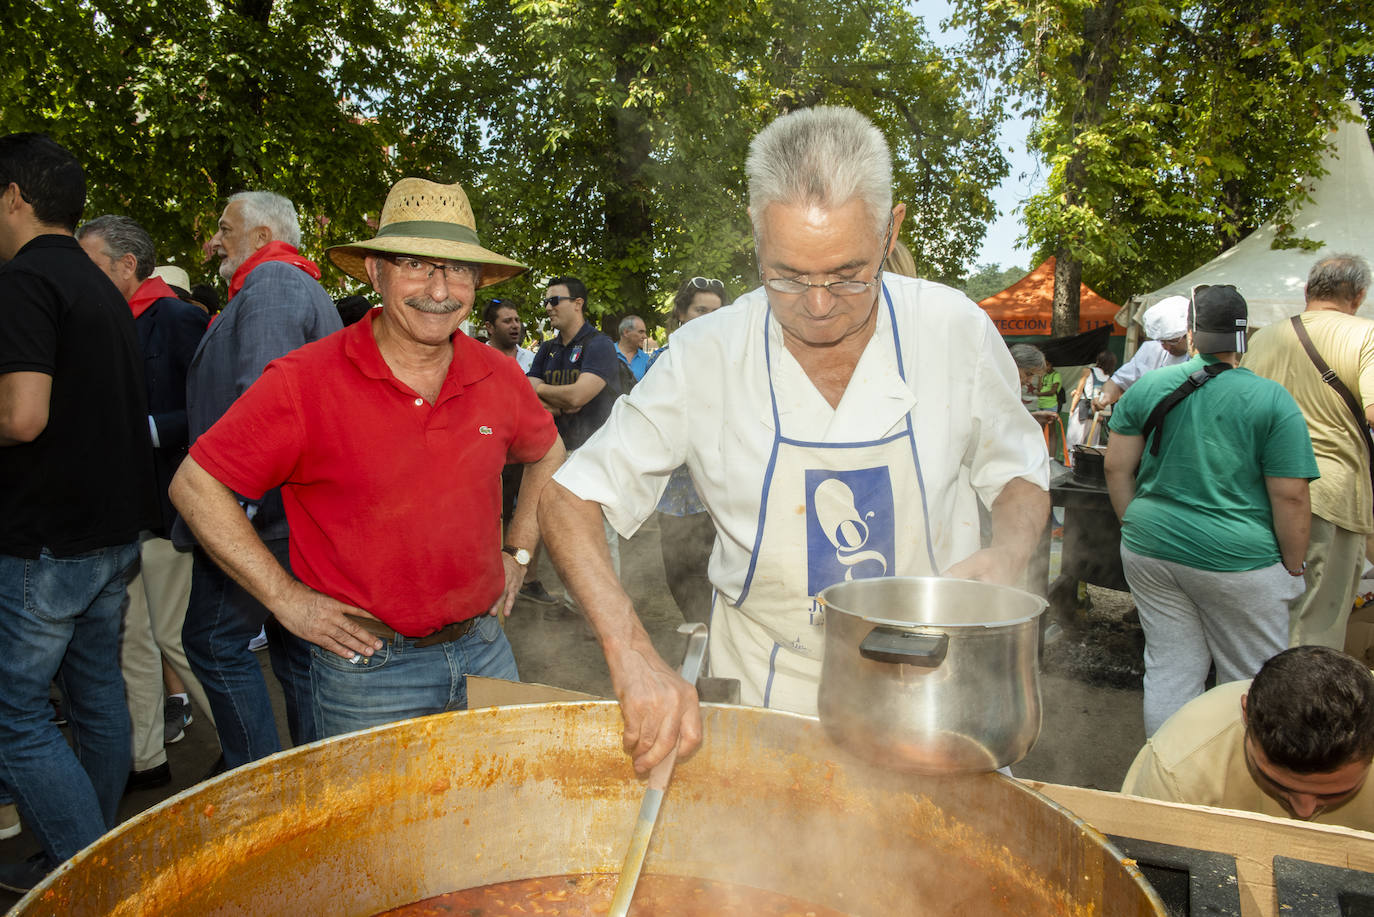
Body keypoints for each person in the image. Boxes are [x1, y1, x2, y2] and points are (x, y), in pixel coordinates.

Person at [538, 105, 1050, 773]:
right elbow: (567, 499)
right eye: (786, 275)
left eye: (847, 274)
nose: (816, 304)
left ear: (890, 228)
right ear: (755, 231)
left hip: (937, 704)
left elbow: (1017, 472)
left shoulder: (953, 330)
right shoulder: (705, 356)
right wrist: (632, 652)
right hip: (766, 700)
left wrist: (1007, 555)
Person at [170, 177, 563, 737]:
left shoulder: (498, 372)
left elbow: (549, 452)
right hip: (367, 673)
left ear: (477, 283)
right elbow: (194, 485)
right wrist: (287, 600)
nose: (439, 288)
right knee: (381, 828)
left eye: (457, 270)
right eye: (414, 264)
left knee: (495, 817)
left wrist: (519, 553)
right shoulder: (305, 380)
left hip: (485, 650)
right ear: (376, 273)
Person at [0, 133, 160, 891]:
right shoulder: (101, 285)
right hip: (106, 538)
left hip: (45, 543)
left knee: (14, 718)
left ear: (13, 196)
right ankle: (91, 851)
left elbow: (23, 416)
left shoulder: (25, 279)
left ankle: (90, 880)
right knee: (97, 699)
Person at [1104, 285, 1319, 735]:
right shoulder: (1272, 399)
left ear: (1191, 331)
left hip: (1151, 550)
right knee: (1252, 680)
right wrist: (1294, 568)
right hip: (1239, 561)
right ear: (1245, 335)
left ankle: (1167, 779)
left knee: (1170, 669)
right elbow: (1291, 497)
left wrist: (1134, 526)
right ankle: (1235, 787)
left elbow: (1115, 468)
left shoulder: (1149, 386)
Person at [177, 190, 341, 772]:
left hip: (260, 515)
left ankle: (259, 778)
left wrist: (235, 511)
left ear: (265, 235)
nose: (213, 241)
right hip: (286, 515)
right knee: (296, 649)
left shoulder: (272, 282)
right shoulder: (285, 283)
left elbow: (261, 408)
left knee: (211, 641)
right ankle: (310, 778)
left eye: (223, 228)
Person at [74, 214, 212, 791]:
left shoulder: (180, 318)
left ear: (126, 264)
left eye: (88, 263)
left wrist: (147, 429)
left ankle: (251, 752)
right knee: (130, 640)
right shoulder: (92, 322)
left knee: (176, 637)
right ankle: (146, 760)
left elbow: (212, 413)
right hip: (113, 515)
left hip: (165, 508)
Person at [1244, 254, 1374, 650]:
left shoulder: (1264, 337)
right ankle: (1296, 710)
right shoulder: (1366, 335)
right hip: (1329, 495)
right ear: (1359, 295)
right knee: (1314, 626)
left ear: (1307, 290)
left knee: (1265, 619)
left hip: (1260, 492)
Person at [1121, 646, 1374, 831]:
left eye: (1331, 794)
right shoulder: (1179, 769)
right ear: (1246, 714)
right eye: (1283, 786)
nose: (1303, 811)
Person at [528, 276, 624, 579]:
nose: (548, 307)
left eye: (555, 300)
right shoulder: (547, 349)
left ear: (578, 303)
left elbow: (579, 396)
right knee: (565, 528)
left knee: (600, 532)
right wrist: (562, 401)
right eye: (546, 301)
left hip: (595, 452)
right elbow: (527, 390)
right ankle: (576, 604)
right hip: (556, 452)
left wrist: (548, 392)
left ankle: (609, 611)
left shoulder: (599, 345)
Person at [652, 276, 728, 630]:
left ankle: (717, 652)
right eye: (701, 310)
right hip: (675, 498)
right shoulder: (662, 363)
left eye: (717, 311)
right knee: (679, 579)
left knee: (721, 580)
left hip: (722, 495)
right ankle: (706, 644)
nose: (710, 318)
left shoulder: (736, 363)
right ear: (681, 313)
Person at [1093, 295, 1191, 411]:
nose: (1165, 346)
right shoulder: (1152, 350)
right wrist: (1104, 399)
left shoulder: (1203, 355)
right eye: (1161, 340)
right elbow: (1119, 382)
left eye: (1172, 341)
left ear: (1189, 334)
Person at [1065, 350, 1118, 454]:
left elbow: (1079, 392)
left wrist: (1072, 410)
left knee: (1074, 443)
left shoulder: (1088, 371)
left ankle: (1071, 465)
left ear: (1098, 360)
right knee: (1091, 445)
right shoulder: (1109, 379)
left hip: (1083, 409)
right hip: (1097, 413)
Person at [1010, 343, 1058, 430]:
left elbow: (1009, 420)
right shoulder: (994, 388)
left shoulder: (1012, 390)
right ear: (1013, 365)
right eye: (1028, 374)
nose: (1029, 381)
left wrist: (1034, 417)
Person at [484, 299, 535, 372]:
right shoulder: (478, 360)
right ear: (489, 327)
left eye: (517, 320)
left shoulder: (531, 358)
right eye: (507, 321)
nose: (515, 325)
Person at [616, 314, 650, 382]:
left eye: (645, 332)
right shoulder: (606, 353)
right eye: (641, 332)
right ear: (626, 332)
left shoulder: (647, 360)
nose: (645, 336)